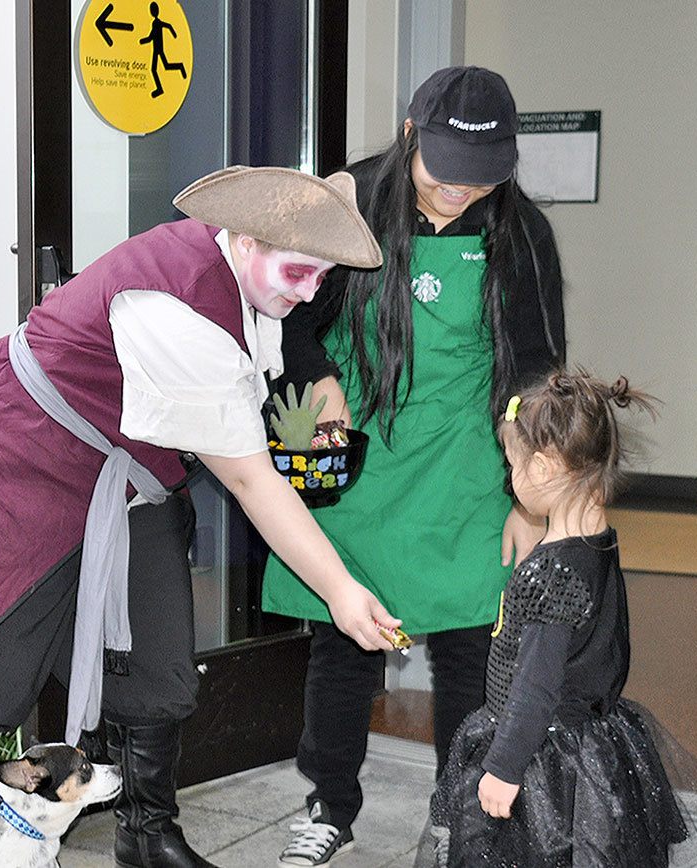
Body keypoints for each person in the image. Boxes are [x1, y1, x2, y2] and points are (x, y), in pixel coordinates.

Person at [0, 166, 402, 868]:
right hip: (4, 460)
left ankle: (147, 836)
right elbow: (250, 480)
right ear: (245, 240)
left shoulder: (245, 284)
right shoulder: (177, 305)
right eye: (301, 272)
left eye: (323, 279)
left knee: (154, 652)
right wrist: (341, 592)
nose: (309, 292)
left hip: (119, 476)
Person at [264, 66, 567, 866]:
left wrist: (529, 500)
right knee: (344, 641)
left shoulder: (521, 233)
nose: (457, 193)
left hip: (471, 467)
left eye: (480, 180)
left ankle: (456, 811)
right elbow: (284, 317)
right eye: (442, 174)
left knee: (470, 643)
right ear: (409, 135)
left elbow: (538, 373)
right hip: (360, 455)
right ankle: (329, 804)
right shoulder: (350, 203)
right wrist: (316, 376)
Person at [421, 370, 697, 867]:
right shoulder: (600, 544)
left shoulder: (550, 573)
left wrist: (504, 768)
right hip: (594, 738)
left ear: (546, 468)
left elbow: (536, 687)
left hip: (539, 755)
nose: (509, 479)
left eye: (512, 466)